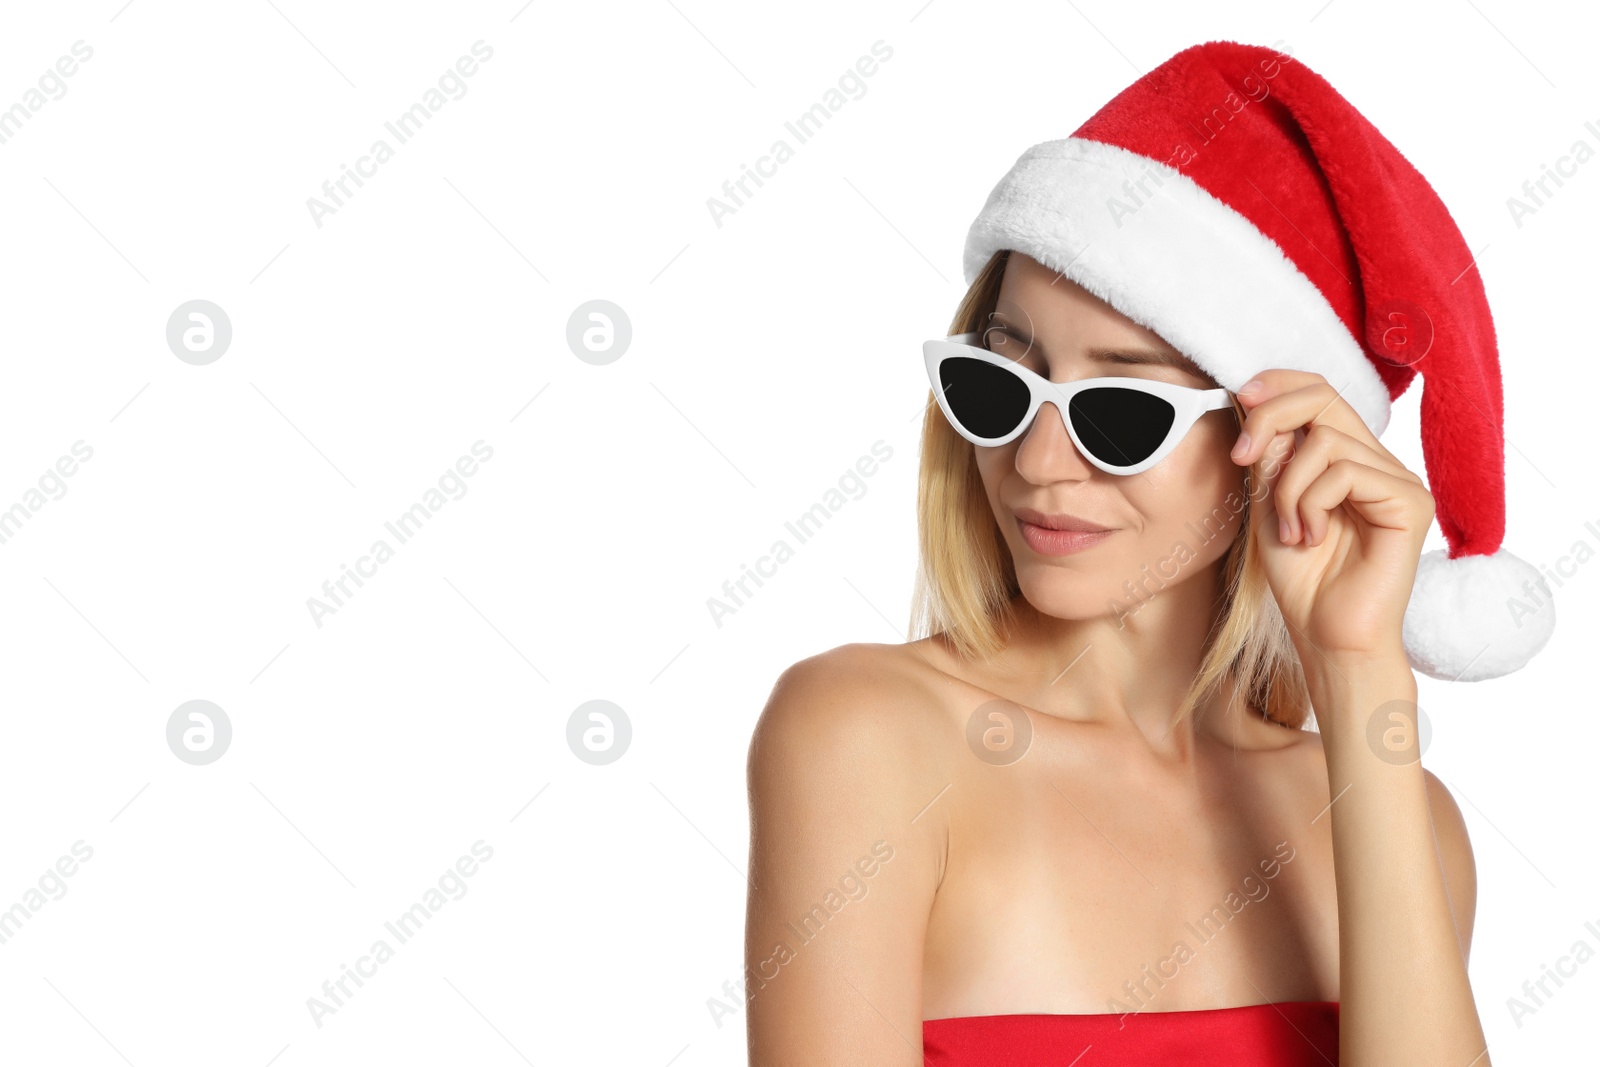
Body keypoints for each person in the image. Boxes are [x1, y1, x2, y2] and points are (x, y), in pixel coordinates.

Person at [745, 39, 1554, 1066]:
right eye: (997, 385)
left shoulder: (1401, 816)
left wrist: (1358, 673)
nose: (1037, 461)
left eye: (1120, 411)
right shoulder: (866, 736)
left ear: (1282, 442)